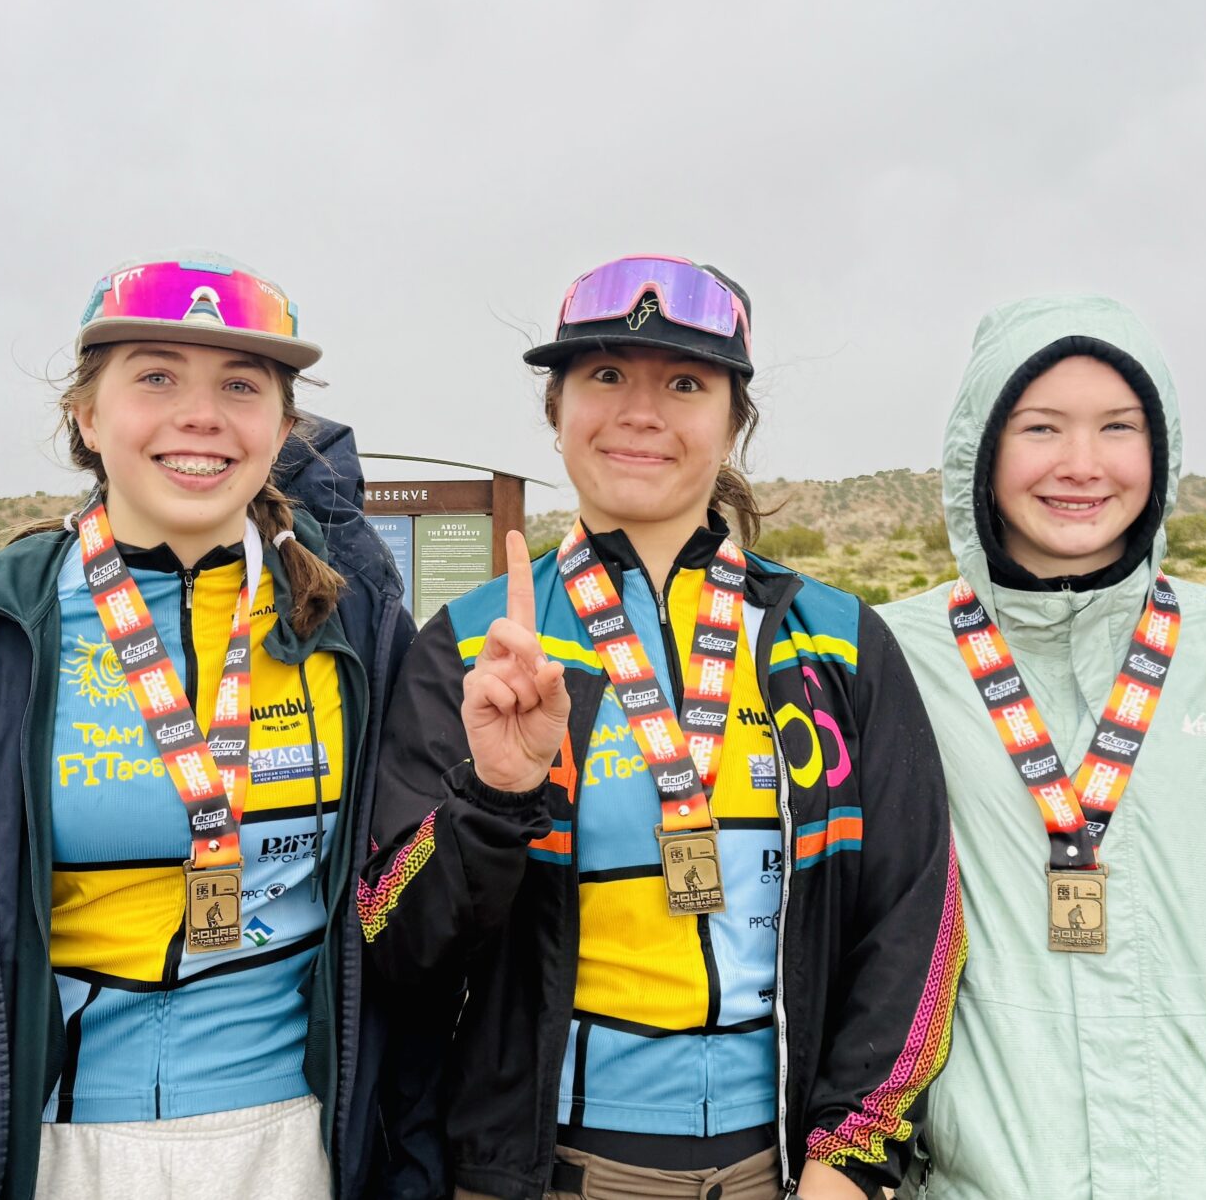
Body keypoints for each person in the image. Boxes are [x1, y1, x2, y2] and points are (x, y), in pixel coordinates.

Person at [357, 255, 965, 1200]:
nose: (641, 412)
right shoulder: (476, 643)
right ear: (556, 407)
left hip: (787, 1176)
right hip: (539, 1174)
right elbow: (392, 945)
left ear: (734, 420)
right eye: (606, 375)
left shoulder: (837, 640)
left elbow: (916, 912)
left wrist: (852, 1154)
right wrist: (495, 796)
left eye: (685, 383)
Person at [0, 256, 409, 1200]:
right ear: (86, 414)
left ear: (283, 427)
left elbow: (396, 895)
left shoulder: (352, 618)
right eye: (156, 376)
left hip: (295, 1143)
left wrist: (489, 797)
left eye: (241, 385)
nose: (201, 415)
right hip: (58, 1148)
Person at [876, 295, 1206, 1197]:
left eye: (1118, 426)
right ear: (981, 449)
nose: (1082, 464)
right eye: (1041, 426)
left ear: (1160, 448)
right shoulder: (895, 654)